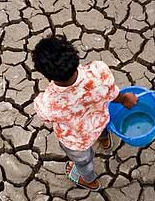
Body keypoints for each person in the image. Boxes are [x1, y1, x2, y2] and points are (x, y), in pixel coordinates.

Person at [32, 35, 137, 190]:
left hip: (76, 141)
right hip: (100, 121)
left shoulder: (46, 103)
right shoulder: (99, 72)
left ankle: (89, 180)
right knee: (102, 128)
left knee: (84, 162)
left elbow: (46, 119)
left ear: (46, 74)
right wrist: (124, 99)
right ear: (75, 55)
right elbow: (112, 95)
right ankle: (105, 141)